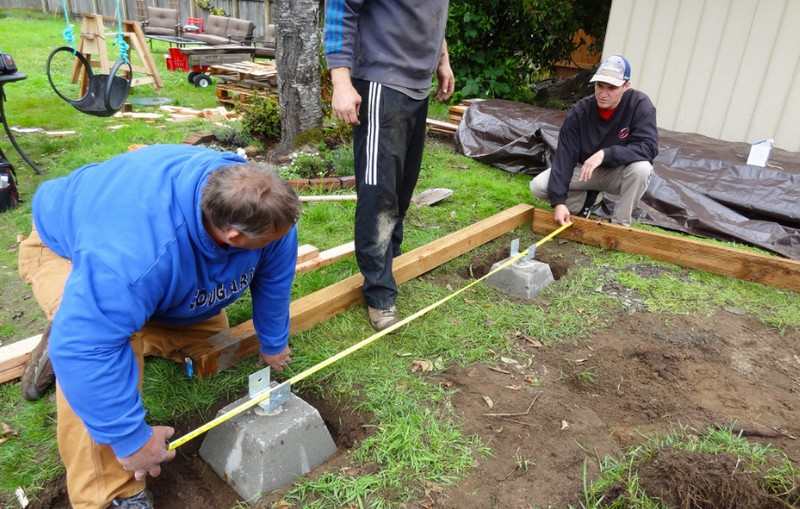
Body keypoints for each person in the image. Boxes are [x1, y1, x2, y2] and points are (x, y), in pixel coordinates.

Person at [17, 144, 300, 509]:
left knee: (210, 336)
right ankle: (113, 494)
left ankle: (105, 320)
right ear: (232, 236)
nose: (277, 244)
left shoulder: (264, 207)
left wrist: (274, 341)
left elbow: (275, 277)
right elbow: (85, 351)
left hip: (140, 268)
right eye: (266, 243)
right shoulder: (132, 257)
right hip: (67, 251)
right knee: (98, 358)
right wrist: (131, 440)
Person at [324, 0, 455, 331]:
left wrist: (442, 57)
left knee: (402, 188)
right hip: (382, 79)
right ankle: (379, 292)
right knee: (379, 192)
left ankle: (388, 262)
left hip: (417, 86)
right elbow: (341, 8)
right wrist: (341, 81)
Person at [530, 54, 658, 226]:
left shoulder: (640, 104)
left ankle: (619, 225)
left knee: (642, 169)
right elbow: (565, 157)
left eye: (611, 88)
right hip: (586, 172)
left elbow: (648, 147)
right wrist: (559, 202)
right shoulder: (579, 112)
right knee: (538, 186)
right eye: (600, 86)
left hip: (618, 173)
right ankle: (584, 204)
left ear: (626, 86)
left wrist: (606, 154)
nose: (603, 94)